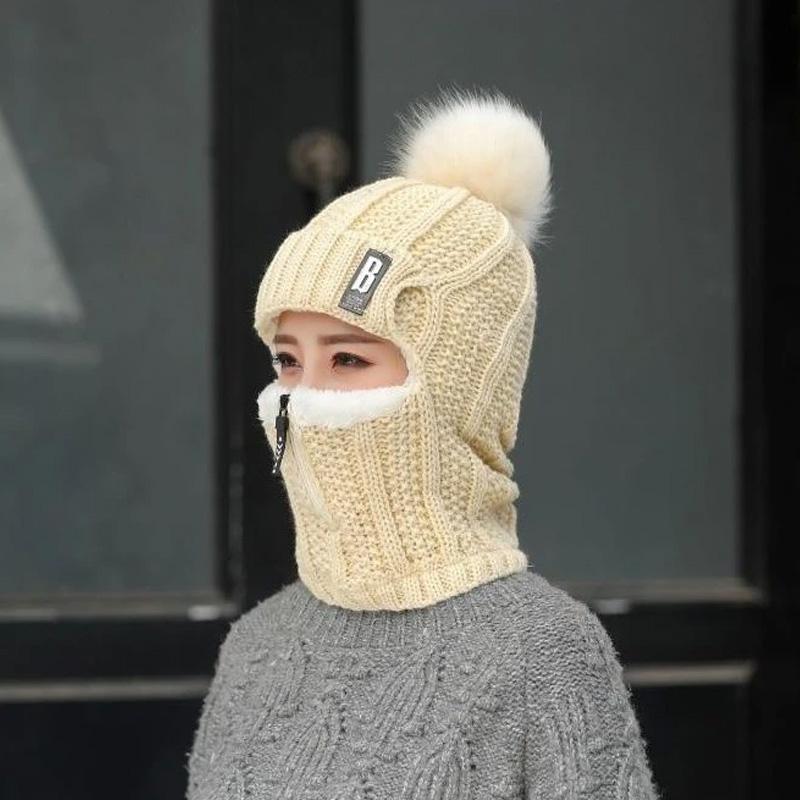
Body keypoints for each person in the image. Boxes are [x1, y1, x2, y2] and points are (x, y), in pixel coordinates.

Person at [186, 87, 661, 799]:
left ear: (456, 387)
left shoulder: (545, 652)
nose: (306, 399)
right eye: (288, 361)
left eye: (348, 360)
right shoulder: (255, 648)